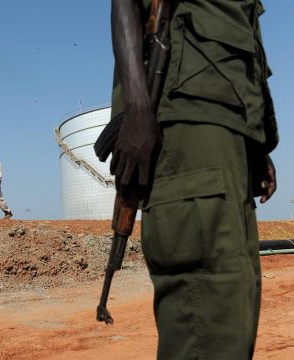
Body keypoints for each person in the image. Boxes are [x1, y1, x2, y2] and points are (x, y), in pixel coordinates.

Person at [108, 0, 278, 358]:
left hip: (231, 137)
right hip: (186, 126)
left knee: (232, 309)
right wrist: (137, 108)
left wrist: (256, 140)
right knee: (204, 314)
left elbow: (244, 35)